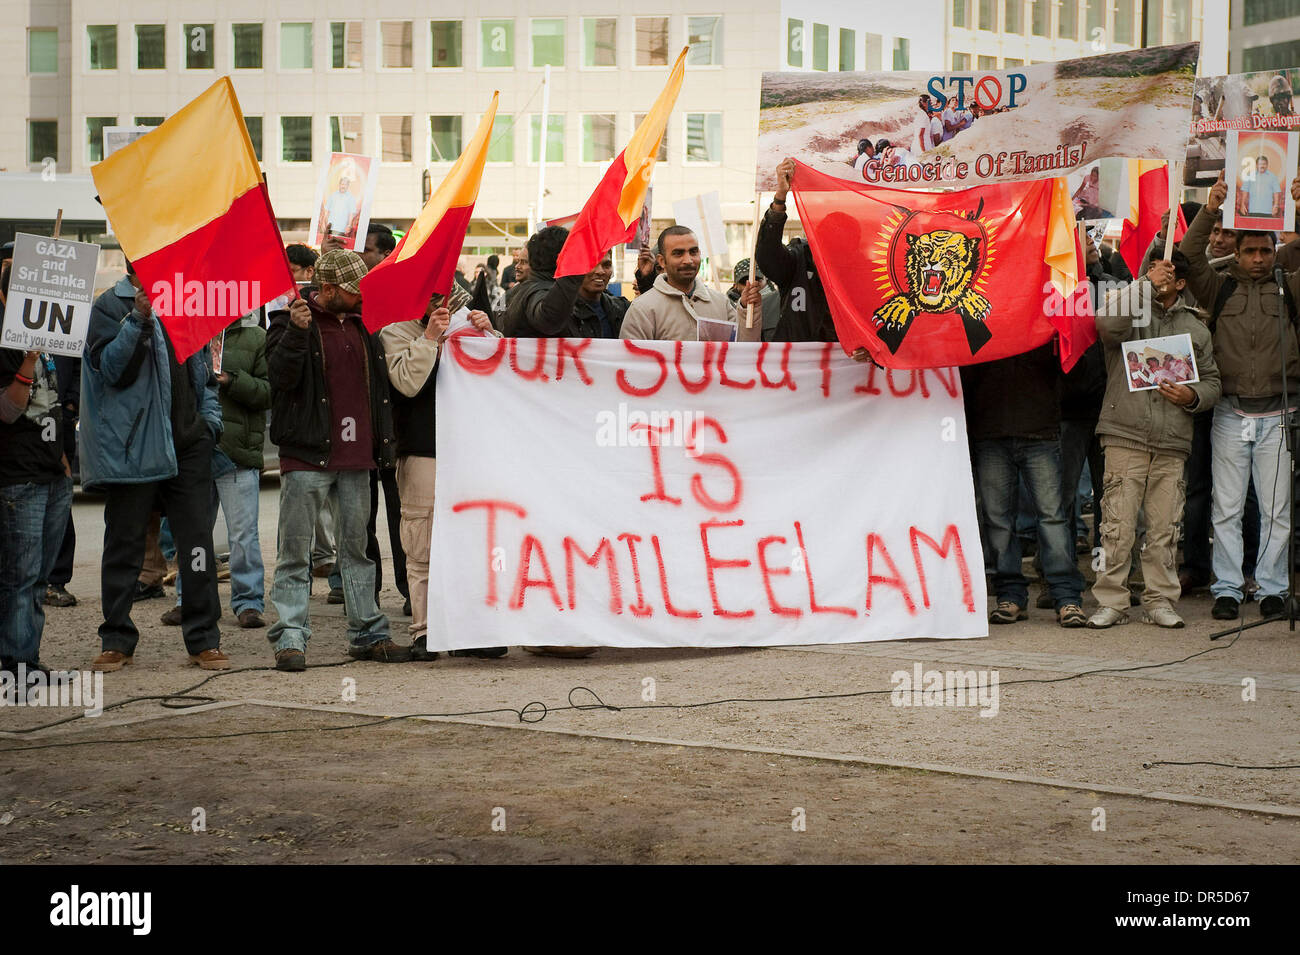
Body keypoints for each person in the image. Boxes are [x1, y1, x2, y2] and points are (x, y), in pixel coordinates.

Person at [265, 249, 406, 670]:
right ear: (327, 289)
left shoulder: (363, 326)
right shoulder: (288, 320)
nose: (361, 296)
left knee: (357, 550)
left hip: (357, 457)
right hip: (308, 456)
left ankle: (367, 632)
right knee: (295, 552)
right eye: (353, 289)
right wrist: (294, 332)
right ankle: (291, 637)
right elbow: (280, 379)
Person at [82, 263, 228, 671]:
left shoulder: (187, 303)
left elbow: (206, 375)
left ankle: (204, 638)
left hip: (188, 448)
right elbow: (110, 370)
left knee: (196, 545)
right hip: (134, 450)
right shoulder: (110, 306)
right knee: (124, 545)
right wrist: (138, 318)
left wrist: (208, 426)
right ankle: (116, 639)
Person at [1180, 171, 1300, 620]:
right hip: (1230, 413)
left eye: (1265, 251)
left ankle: (1272, 588)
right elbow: (1188, 256)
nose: (1256, 258)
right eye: (1248, 250)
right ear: (1236, 251)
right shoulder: (1219, 284)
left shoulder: (1289, 286)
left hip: (1280, 413)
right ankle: (1228, 589)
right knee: (1226, 507)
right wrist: (1211, 207)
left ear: (1275, 252)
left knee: (1275, 510)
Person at [1087, 252, 1221, 629]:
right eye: (1154, 269)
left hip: (1172, 439)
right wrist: (1145, 284)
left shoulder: (1195, 328)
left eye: (1169, 273)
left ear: (1181, 283)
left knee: (1164, 528)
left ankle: (1160, 600)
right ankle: (1112, 601)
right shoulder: (1128, 308)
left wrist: (1192, 397)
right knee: (1117, 525)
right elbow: (1107, 327)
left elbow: (1213, 382)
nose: (1161, 275)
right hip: (1125, 434)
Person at [380, 286, 502, 661]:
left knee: (472, 540)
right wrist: (430, 338)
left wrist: (489, 334)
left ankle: (470, 630)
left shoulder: (469, 323)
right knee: (421, 543)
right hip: (423, 450)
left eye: (453, 302)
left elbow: (501, 375)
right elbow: (407, 383)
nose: (447, 308)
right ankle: (425, 630)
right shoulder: (395, 331)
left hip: (469, 448)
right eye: (437, 301)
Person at [961, 345, 1087, 627]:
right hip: (992, 432)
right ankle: (1013, 595)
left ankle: (1065, 597)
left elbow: (1076, 373)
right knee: (1001, 521)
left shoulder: (1047, 316)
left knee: (1050, 519)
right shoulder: (981, 313)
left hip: (1038, 430)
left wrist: (1065, 345)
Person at [176, 310, 271, 629]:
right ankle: (187, 597)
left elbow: (269, 392)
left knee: (243, 535)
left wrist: (231, 380)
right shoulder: (188, 330)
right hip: (196, 449)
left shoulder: (257, 336)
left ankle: (248, 601)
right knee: (194, 533)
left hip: (237, 451)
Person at [0, 340, 72, 677]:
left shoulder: (48, 343)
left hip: (53, 474)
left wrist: (62, 461)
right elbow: (9, 410)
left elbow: (51, 406)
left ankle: (28, 658)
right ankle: (15, 664)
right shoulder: (6, 344)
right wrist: (28, 360)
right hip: (20, 475)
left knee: (40, 576)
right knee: (21, 575)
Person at [619, 226, 761, 342]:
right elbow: (633, 366)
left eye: (693, 252)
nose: (688, 260)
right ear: (661, 261)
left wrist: (747, 310)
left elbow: (743, 353)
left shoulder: (720, 303)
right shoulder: (642, 309)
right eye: (678, 253)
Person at [505, 229, 630, 340]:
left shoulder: (620, 306)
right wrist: (573, 272)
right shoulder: (544, 297)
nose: (600, 271)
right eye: (590, 264)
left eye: (606, 265)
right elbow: (549, 319)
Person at [44, 352, 81, 607]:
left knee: (60, 496)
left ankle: (55, 579)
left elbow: (79, 362)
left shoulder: (68, 314)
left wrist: (71, 405)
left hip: (60, 416)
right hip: (18, 414)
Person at [727, 259, 781, 342]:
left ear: (766, 279)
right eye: (745, 282)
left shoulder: (779, 303)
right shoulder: (727, 308)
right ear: (735, 286)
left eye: (757, 280)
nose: (752, 285)